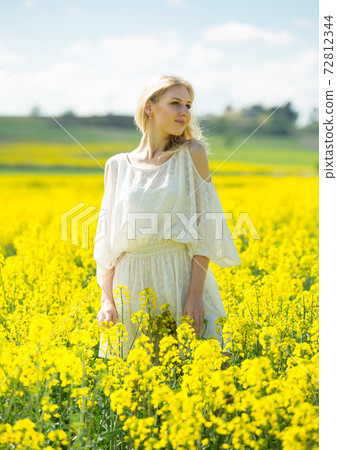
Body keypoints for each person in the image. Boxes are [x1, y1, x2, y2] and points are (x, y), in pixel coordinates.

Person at [93, 74, 241, 361]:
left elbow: (206, 229)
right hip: (131, 287)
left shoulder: (192, 154)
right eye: (175, 103)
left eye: (188, 105)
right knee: (138, 395)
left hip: (182, 278)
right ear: (149, 107)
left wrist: (195, 296)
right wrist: (107, 300)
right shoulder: (115, 167)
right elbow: (107, 244)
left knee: (211, 383)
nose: (184, 112)